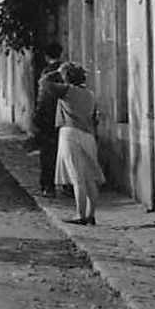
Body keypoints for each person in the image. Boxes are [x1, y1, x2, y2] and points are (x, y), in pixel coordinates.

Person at [52, 62, 105, 225]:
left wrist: (55, 72)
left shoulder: (68, 92)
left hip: (70, 133)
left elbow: (45, 85)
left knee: (77, 178)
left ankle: (80, 215)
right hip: (88, 135)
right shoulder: (89, 94)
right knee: (90, 177)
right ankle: (91, 214)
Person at [31, 52, 65, 197]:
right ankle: (67, 186)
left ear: (46, 56)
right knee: (64, 155)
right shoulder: (67, 72)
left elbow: (42, 100)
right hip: (65, 121)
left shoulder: (46, 75)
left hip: (48, 121)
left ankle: (48, 186)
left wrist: (37, 121)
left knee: (48, 156)